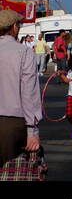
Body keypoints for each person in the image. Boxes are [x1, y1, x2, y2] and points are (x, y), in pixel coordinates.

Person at [0, 9, 42, 163]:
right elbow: (28, 93)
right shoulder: (23, 52)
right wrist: (32, 130)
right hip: (11, 123)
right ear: (13, 27)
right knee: (11, 171)